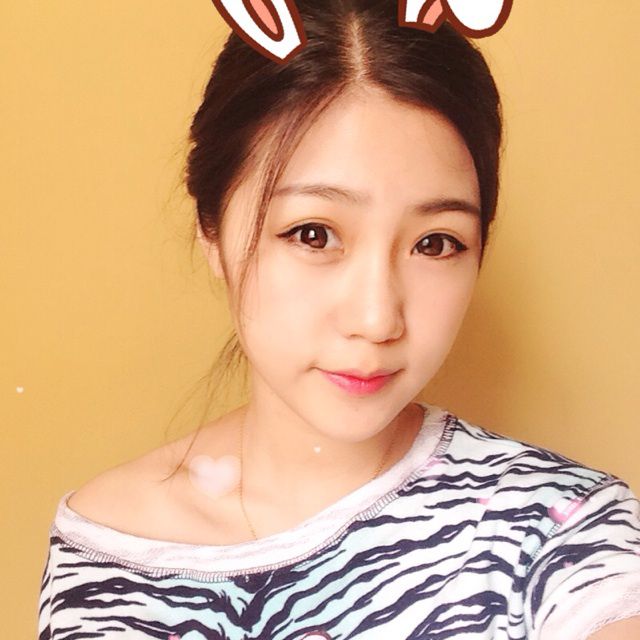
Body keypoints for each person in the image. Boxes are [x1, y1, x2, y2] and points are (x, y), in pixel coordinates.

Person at [37, 1, 640, 638]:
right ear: (211, 230)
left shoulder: (559, 530)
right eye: (314, 234)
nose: (377, 319)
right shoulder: (107, 557)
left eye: (436, 243)